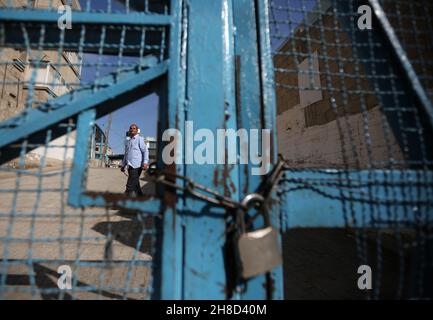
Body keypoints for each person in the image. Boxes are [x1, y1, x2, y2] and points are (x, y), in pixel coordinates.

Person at [121, 124, 149, 197]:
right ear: (129, 130)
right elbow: (126, 154)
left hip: (137, 166)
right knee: (136, 184)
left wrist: (145, 162)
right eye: (131, 128)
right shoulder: (128, 141)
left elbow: (145, 151)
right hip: (129, 165)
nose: (132, 129)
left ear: (137, 130)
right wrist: (123, 165)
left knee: (130, 185)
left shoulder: (140, 139)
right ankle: (141, 197)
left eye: (134, 128)